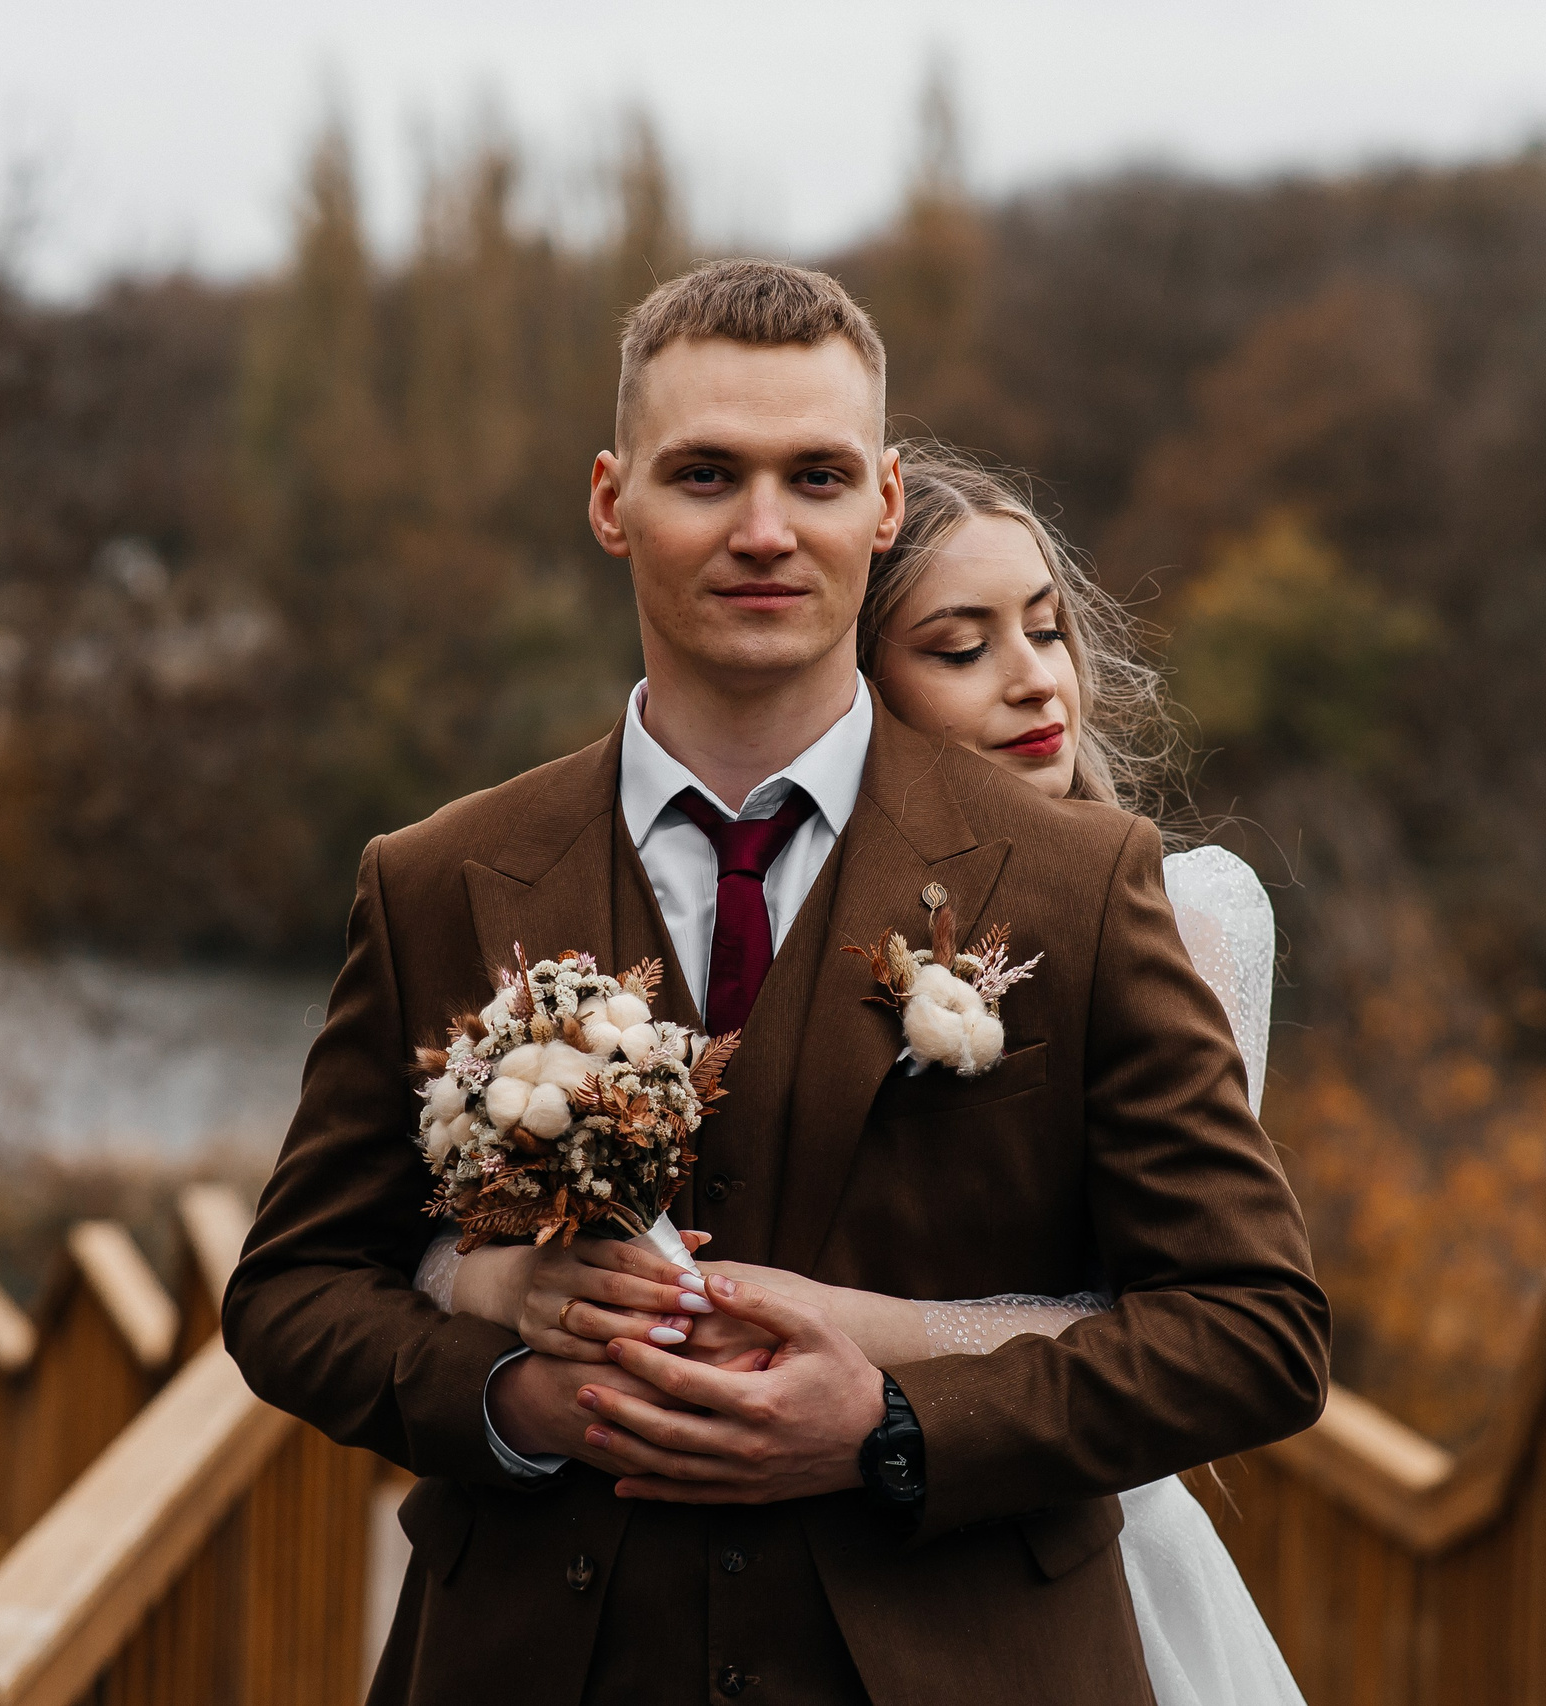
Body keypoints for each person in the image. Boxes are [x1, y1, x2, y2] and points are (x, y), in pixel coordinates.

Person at [223, 258, 1328, 1706]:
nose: (763, 530)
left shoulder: (1081, 880)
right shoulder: (439, 876)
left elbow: (1255, 1330)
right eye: (705, 475)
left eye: (815, 476)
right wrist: (517, 1399)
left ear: (882, 503)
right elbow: (295, 1289)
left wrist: (894, 1422)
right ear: (612, 500)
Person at [419, 439, 1303, 1704]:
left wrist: (843, 1352)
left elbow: (1201, 1314)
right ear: (856, 687)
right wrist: (511, 1286)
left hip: (1033, 1575)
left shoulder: (1179, 911)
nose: (1034, 679)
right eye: (961, 647)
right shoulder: (694, 899)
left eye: (1046, 630)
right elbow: (391, 1247)